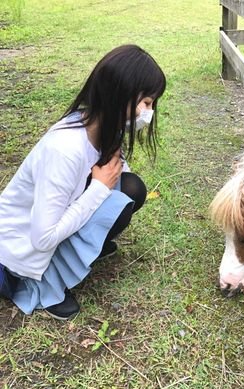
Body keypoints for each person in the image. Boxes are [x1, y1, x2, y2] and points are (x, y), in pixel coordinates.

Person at [0, 44, 166, 320]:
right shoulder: (65, 149)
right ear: (122, 96)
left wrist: (106, 181)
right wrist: (100, 187)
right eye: (147, 102)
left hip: (46, 229)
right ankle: (43, 285)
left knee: (130, 188)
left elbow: (113, 178)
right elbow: (42, 239)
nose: (148, 113)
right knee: (115, 192)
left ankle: (85, 250)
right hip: (18, 252)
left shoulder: (99, 126)